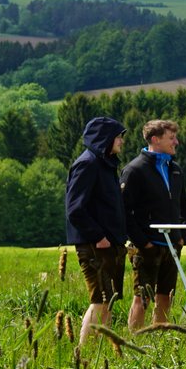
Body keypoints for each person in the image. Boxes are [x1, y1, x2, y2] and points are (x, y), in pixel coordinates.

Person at [119, 118, 186, 332]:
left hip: (172, 245)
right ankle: (135, 340)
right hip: (146, 246)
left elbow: (184, 205)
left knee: (166, 295)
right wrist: (143, 242)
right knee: (142, 299)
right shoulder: (134, 170)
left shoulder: (176, 170)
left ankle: (160, 339)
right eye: (171, 138)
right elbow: (124, 211)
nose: (176, 142)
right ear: (155, 139)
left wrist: (183, 237)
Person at [64, 116, 128, 347]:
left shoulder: (105, 165)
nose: (121, 141)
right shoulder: (88, 164)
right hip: (95, 246)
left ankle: (99, 352)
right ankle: (85, 353)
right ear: (105, 138)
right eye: (118, 136)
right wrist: (98, 236)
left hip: (109, 245)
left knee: (107, 301)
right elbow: (74, 209)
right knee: (100, 300)